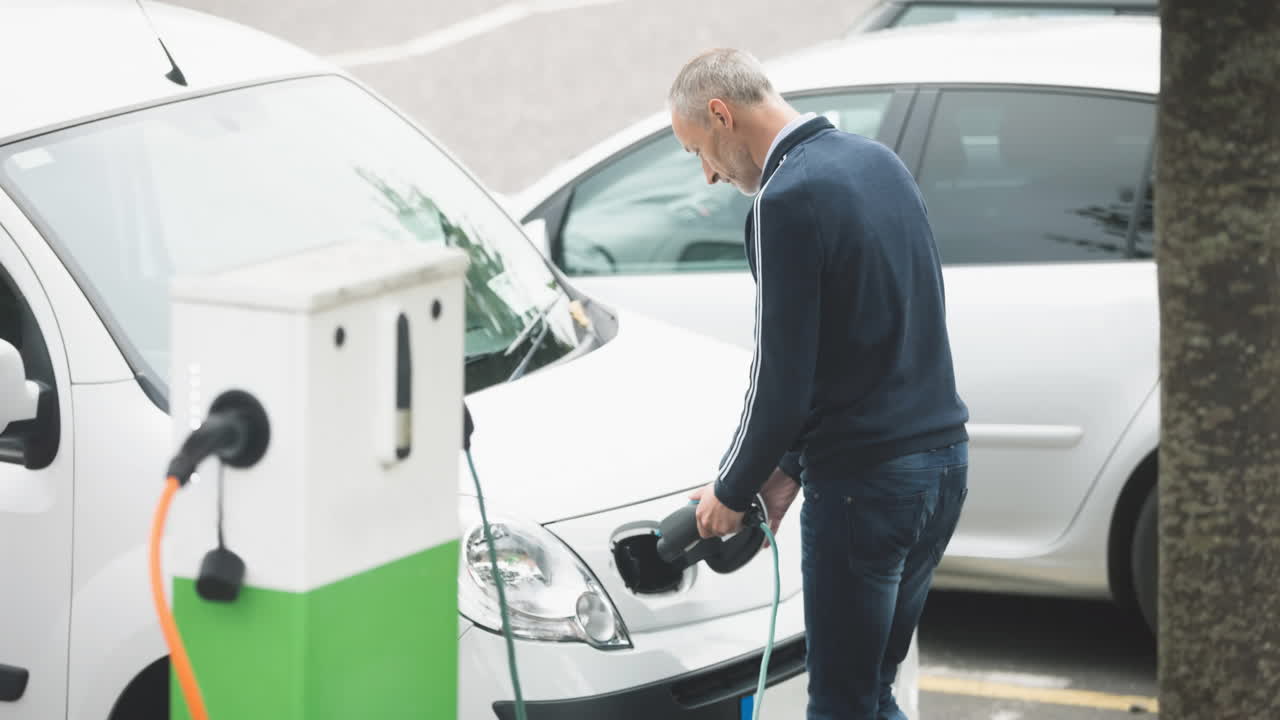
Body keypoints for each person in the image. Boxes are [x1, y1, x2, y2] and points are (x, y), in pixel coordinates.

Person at [671, 48, 971, 720]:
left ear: (722, 114)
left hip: (867, 490)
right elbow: (869, 343)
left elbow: (781, 379)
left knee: (841, 703)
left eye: (699, 151)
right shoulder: (879, 162)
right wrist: (787, 468)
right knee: (871, 695)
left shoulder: (785, 200)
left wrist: (732, 486)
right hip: (943, 470)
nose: (711, 175)